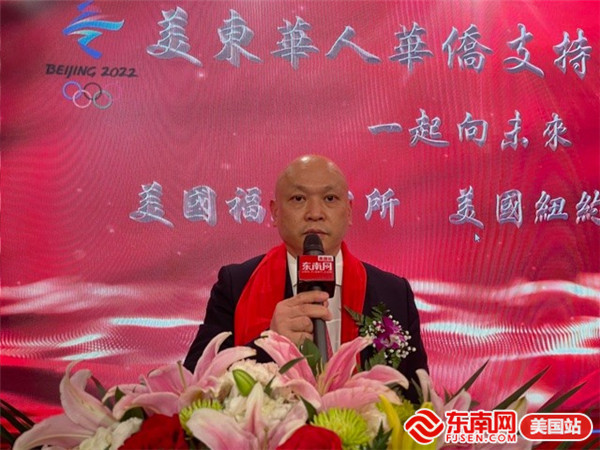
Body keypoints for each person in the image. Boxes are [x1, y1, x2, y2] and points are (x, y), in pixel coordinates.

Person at [184, 155, 428, 395]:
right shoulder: (235, 285)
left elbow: (419, 397)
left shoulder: (393, 293)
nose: (315, 213)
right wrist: (268, 344)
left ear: (349, 211)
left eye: (330, 198)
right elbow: (194, 387)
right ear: (275, 212)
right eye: (298, 199)